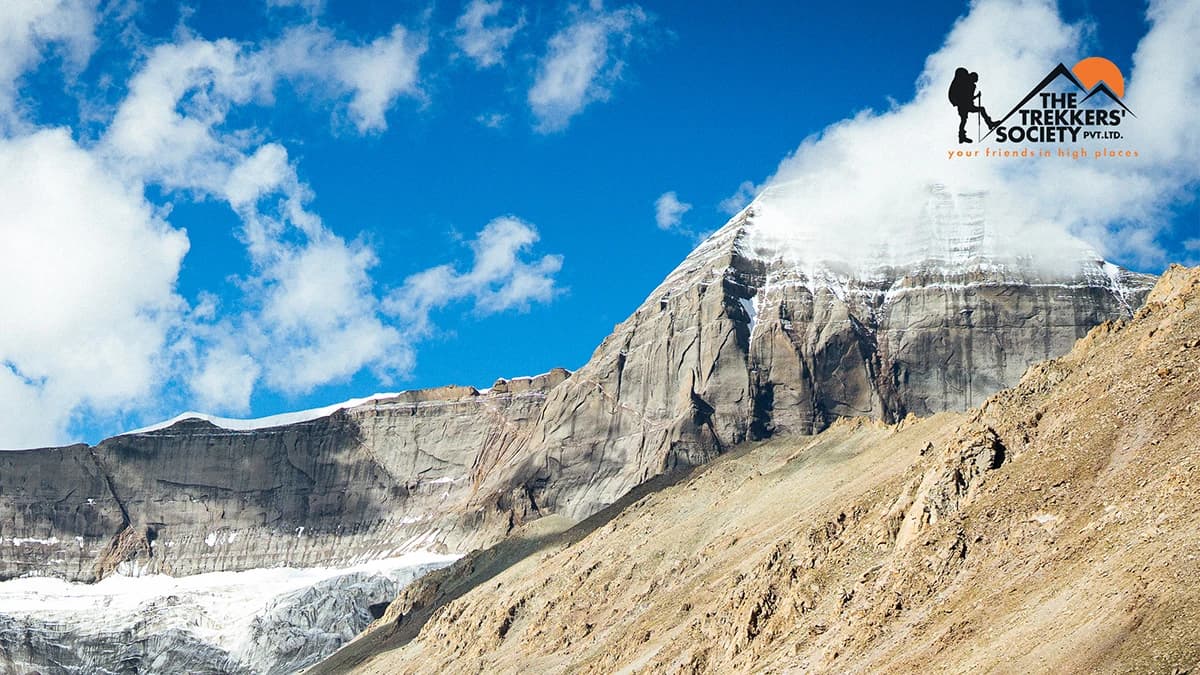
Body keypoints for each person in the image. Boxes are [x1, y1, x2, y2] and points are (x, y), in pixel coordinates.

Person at [948, 67, 996, 143]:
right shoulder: (965, 83)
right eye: (976, 78)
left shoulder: (971, 85)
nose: (977, 80)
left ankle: (989, 124)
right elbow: (967, 97)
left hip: (967, 105)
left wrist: (976, 96)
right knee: (964, 120)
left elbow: (969, 97)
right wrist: (975, 97)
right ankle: (962, 136)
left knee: (965, 119)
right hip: (963, 105)